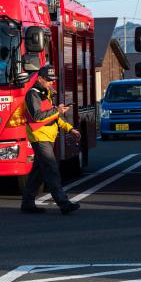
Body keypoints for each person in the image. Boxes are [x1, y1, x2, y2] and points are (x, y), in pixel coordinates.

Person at [21, 64, 81, 215]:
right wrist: (57, 110)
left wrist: (69, 128)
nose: (51, 83)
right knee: (52, 170)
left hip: (47, 137)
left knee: (38, 172)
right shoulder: (33, 94)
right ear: (40, 79)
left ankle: (27, 203)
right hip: (40, 137)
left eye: (53, 80)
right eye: (48, 80)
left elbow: (54, 118)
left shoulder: (46, 92)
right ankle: (63, 203)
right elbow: (37, 116)